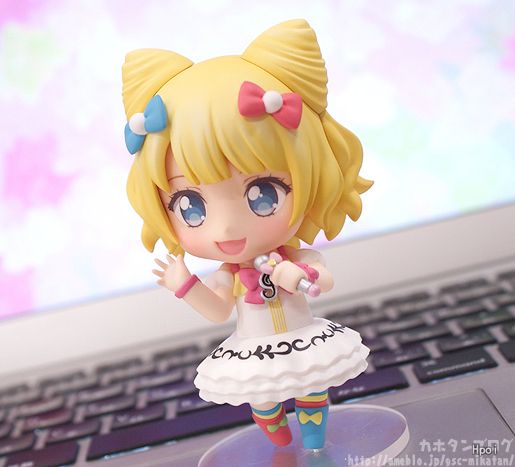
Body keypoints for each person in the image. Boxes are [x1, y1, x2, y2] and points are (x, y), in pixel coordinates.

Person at [122, 19, 372, 450]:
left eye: (264, 194)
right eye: (191, 206)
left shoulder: (295, 257)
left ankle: (314, 436)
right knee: (263, 396)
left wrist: (302, 276)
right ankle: (275, 430)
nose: (226, 229)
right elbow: (219, 311)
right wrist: (185, 284)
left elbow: (324, 279)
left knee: (313, 383)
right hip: (253, 351)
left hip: (305, 338)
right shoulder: (229, 275)